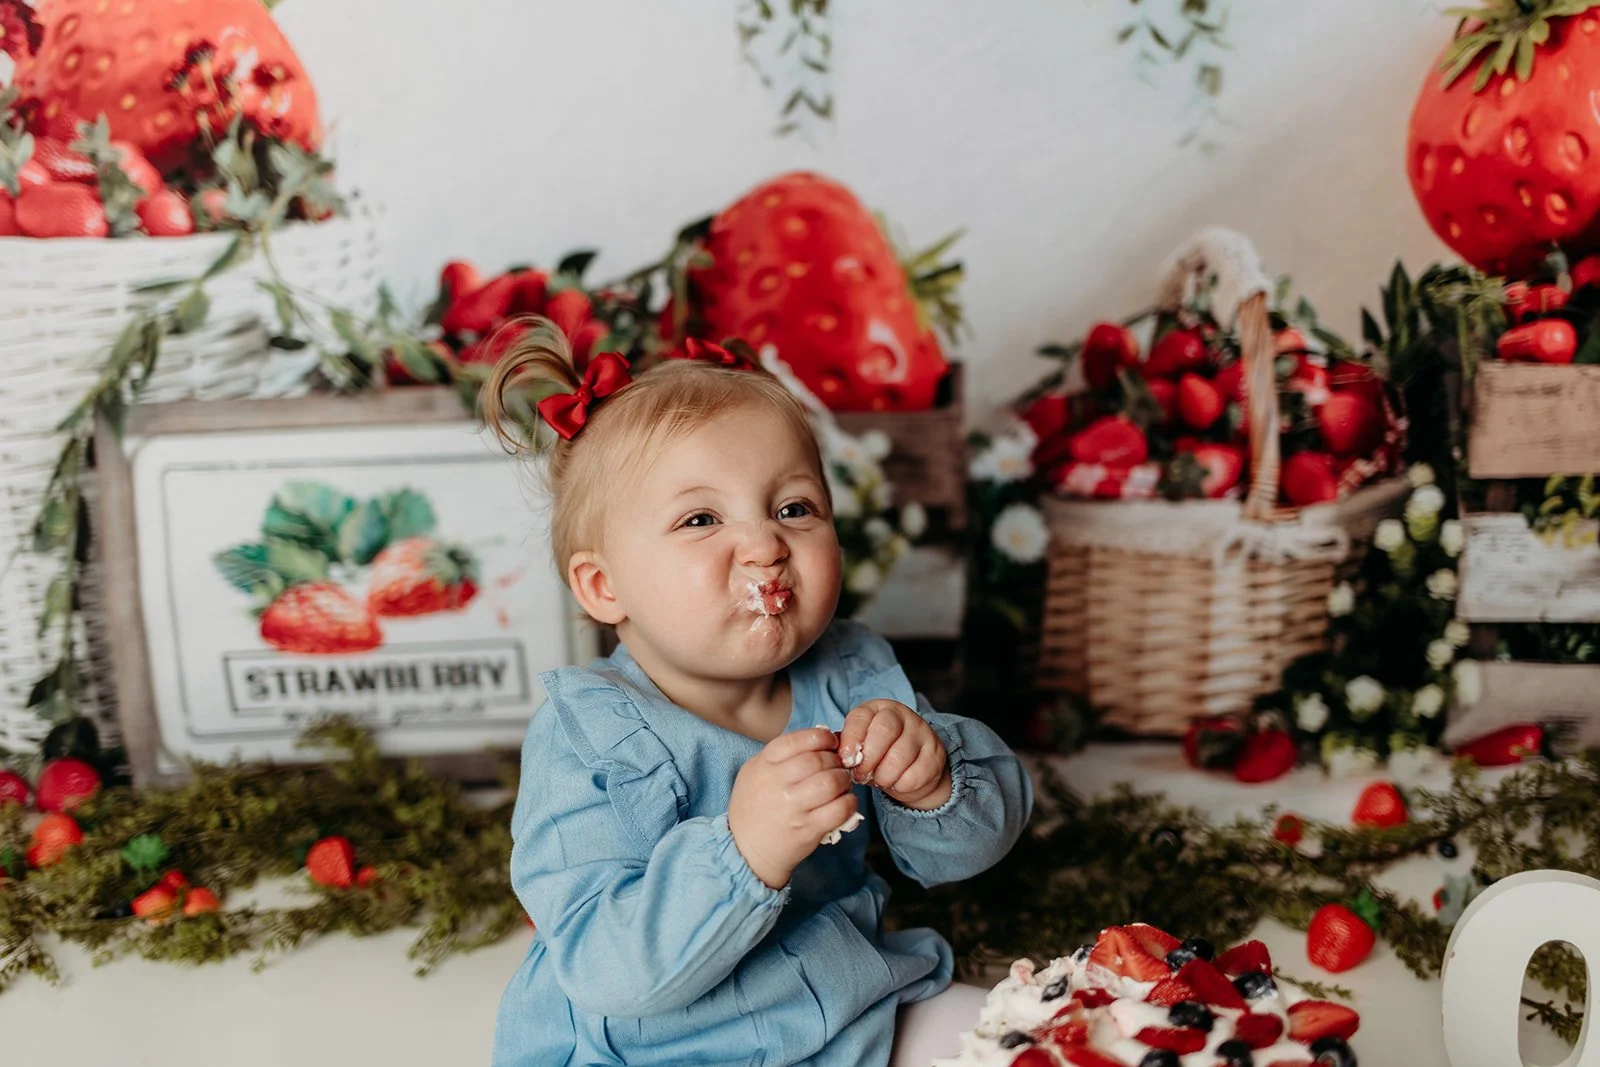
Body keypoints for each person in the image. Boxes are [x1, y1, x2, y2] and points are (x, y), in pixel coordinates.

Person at [486, 320, 1033, 1066]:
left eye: (794, 508)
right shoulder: (587, 734)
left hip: (852, 1008)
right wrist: (742, 851)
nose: (765, 544)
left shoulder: (850, 670)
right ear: (604, 585)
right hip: (661, 1049)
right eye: (701, 519)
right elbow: (603, 962)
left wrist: (931, 781)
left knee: (1031, 1038)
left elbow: (967, 851)